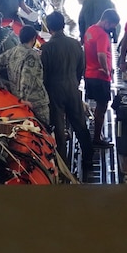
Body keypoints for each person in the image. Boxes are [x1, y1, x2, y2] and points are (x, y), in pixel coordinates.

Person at [40, 12, 90, 162]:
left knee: (59, 126)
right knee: (80, 122)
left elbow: (44, 73)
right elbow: (82, 66)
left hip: (54, 90)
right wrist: (74, 81)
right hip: (72, 86)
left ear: (49, 28)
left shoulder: (46, 48)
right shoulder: (75, 44)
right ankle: (88, 156)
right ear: (63, 25)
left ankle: (62, 163)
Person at [0, 21, 50, 128]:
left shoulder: (12, 52)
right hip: (35, 102)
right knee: (43, 130)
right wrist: (24, 99)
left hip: (16, 100)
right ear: (33, 38)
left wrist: (1, 87)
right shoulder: (32, 55)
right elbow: (27, 79)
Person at [84, 6, 120, 150]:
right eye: (112, 25)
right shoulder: (102, 35)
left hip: (89, 74)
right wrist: (106, 70)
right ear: (106, 21)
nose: (112, 29)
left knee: (97, 105)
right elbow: (101, 54)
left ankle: (94, 132)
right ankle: (97, 137)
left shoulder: (90, 30)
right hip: (100, 76)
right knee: (102, 106)